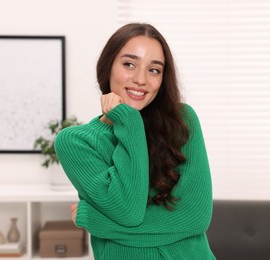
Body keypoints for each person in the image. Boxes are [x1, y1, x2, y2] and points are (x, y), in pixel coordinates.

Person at [54, 22, 215, 260]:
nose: (141, 79)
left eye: (154, 70)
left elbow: (195, 217)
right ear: (108, 66)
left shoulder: (182, 120)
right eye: (129, 64)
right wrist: (128, 121)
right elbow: (127, 212)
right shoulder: (76, 142)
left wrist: (95, 219)